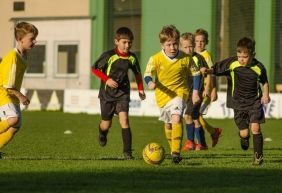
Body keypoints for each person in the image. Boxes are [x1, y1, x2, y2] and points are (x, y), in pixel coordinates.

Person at [207, 37, 270, 165]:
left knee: (256, 128)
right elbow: (217, 68)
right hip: (238, 103)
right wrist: (208, 71)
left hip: (254, 102)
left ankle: (258, 157)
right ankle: (244, 138)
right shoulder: (233, 63)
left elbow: (265, 82)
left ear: (253, 55)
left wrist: (266, 95)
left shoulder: (259, 67)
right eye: (239, 55)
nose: (241, 59)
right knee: (245, 132)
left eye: (245, 56)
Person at [144, 25, 202, 164]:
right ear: (162, 45)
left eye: (175, 44)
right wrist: (149, 82)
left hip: (180, 93)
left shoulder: (186, 58)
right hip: (162, 96)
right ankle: (172, 149)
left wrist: (195, 93)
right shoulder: (155, 59)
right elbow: (147, 74)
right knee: (168, 124)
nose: (172, 47)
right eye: (169, 44)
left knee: (176, 119)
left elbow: (197, 73)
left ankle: (176, 153)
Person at [92, 27, 146, 160]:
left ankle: (127, 152)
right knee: (106, 124)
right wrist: (107, 80)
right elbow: (94, 69)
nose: (127, 45)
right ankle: (102, 133)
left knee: (125, 120)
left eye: (130, 42)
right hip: (107, 94)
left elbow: (138, 74)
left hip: (123, 93)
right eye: (124, 42)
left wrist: (140, 89)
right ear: (116, 41)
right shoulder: (109, 55)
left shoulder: (132, 57)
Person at [0, 22, 38, 156]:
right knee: (13, 119)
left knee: (15, 127)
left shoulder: (23, 56)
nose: (34, 41)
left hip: (11, 95)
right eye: (31, 39)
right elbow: (8, 85)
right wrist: (21, 96)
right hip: (4, 94)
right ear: (20, 39)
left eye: (35, 38)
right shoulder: (13, 57)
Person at [180, 32, 209, 151]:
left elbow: (207, 74)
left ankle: (190, 142)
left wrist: (207, 89)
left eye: (190, 46)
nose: (188, 49)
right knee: (195, 117)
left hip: (196, 92)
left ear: (194, 45)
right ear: (181, 47)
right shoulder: (180, 58)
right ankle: (202, 144)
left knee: (188, 115)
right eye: (185, 47)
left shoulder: (199, 58)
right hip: (185, 91)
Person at [194, 28, 222, 147]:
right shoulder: (192, 55)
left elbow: (212, 72)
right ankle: (211, 133)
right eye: (197, 41)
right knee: (194, 115)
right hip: (196, 89)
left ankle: (203, 140)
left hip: (206, 90)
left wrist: (214, 90)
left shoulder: (206, 55)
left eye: (202, 41)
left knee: (196, 115)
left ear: (206, 42)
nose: (199, 43)